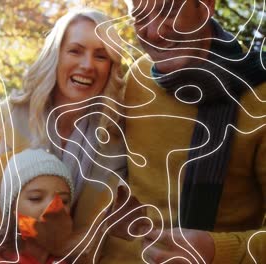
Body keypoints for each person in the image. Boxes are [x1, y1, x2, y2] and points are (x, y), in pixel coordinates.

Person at [0, 7, 127, 264]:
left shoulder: (114, 146)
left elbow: (103, 240)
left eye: (101, 56)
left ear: (111, 66)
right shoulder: (4, 119)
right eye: (75, 51)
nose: (88, 65)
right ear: (54, 56)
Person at [104, 0, 266, 263]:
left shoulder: (259, 98)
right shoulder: (137, 78)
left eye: (169, 11)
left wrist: (216, 250)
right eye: (141, 16)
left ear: (206, 8)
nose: (154, 32)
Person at [0, 148, 74, 264]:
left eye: (63, 200)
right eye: (36, 198)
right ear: (12, 207)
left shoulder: (66, 257)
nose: (52, 207)